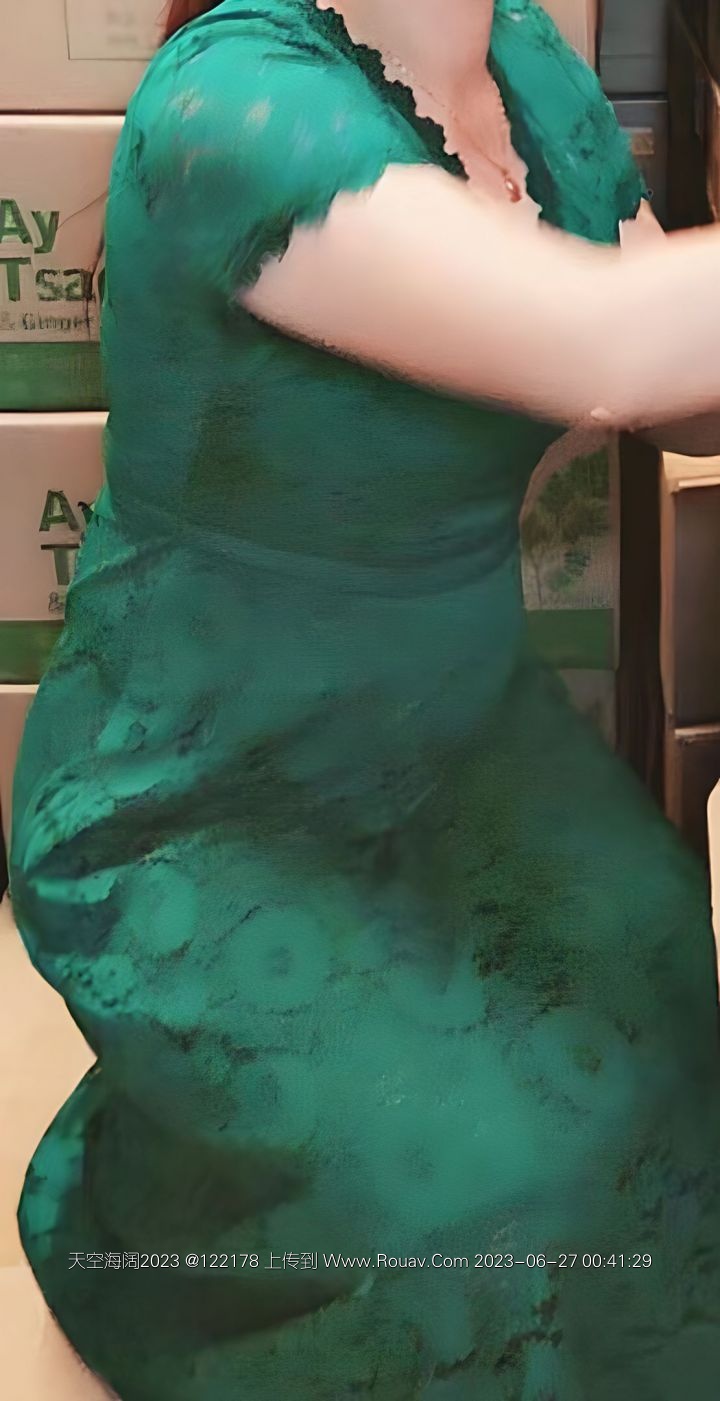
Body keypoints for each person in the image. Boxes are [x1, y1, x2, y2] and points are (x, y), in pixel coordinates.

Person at [9, 2, 720, 1396]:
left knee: (664, 1021)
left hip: (460, 741)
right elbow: (606, 345)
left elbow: (668, 389)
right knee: (499, 1204)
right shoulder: (234, 111)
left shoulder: (521, 59)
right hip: (207, 790)